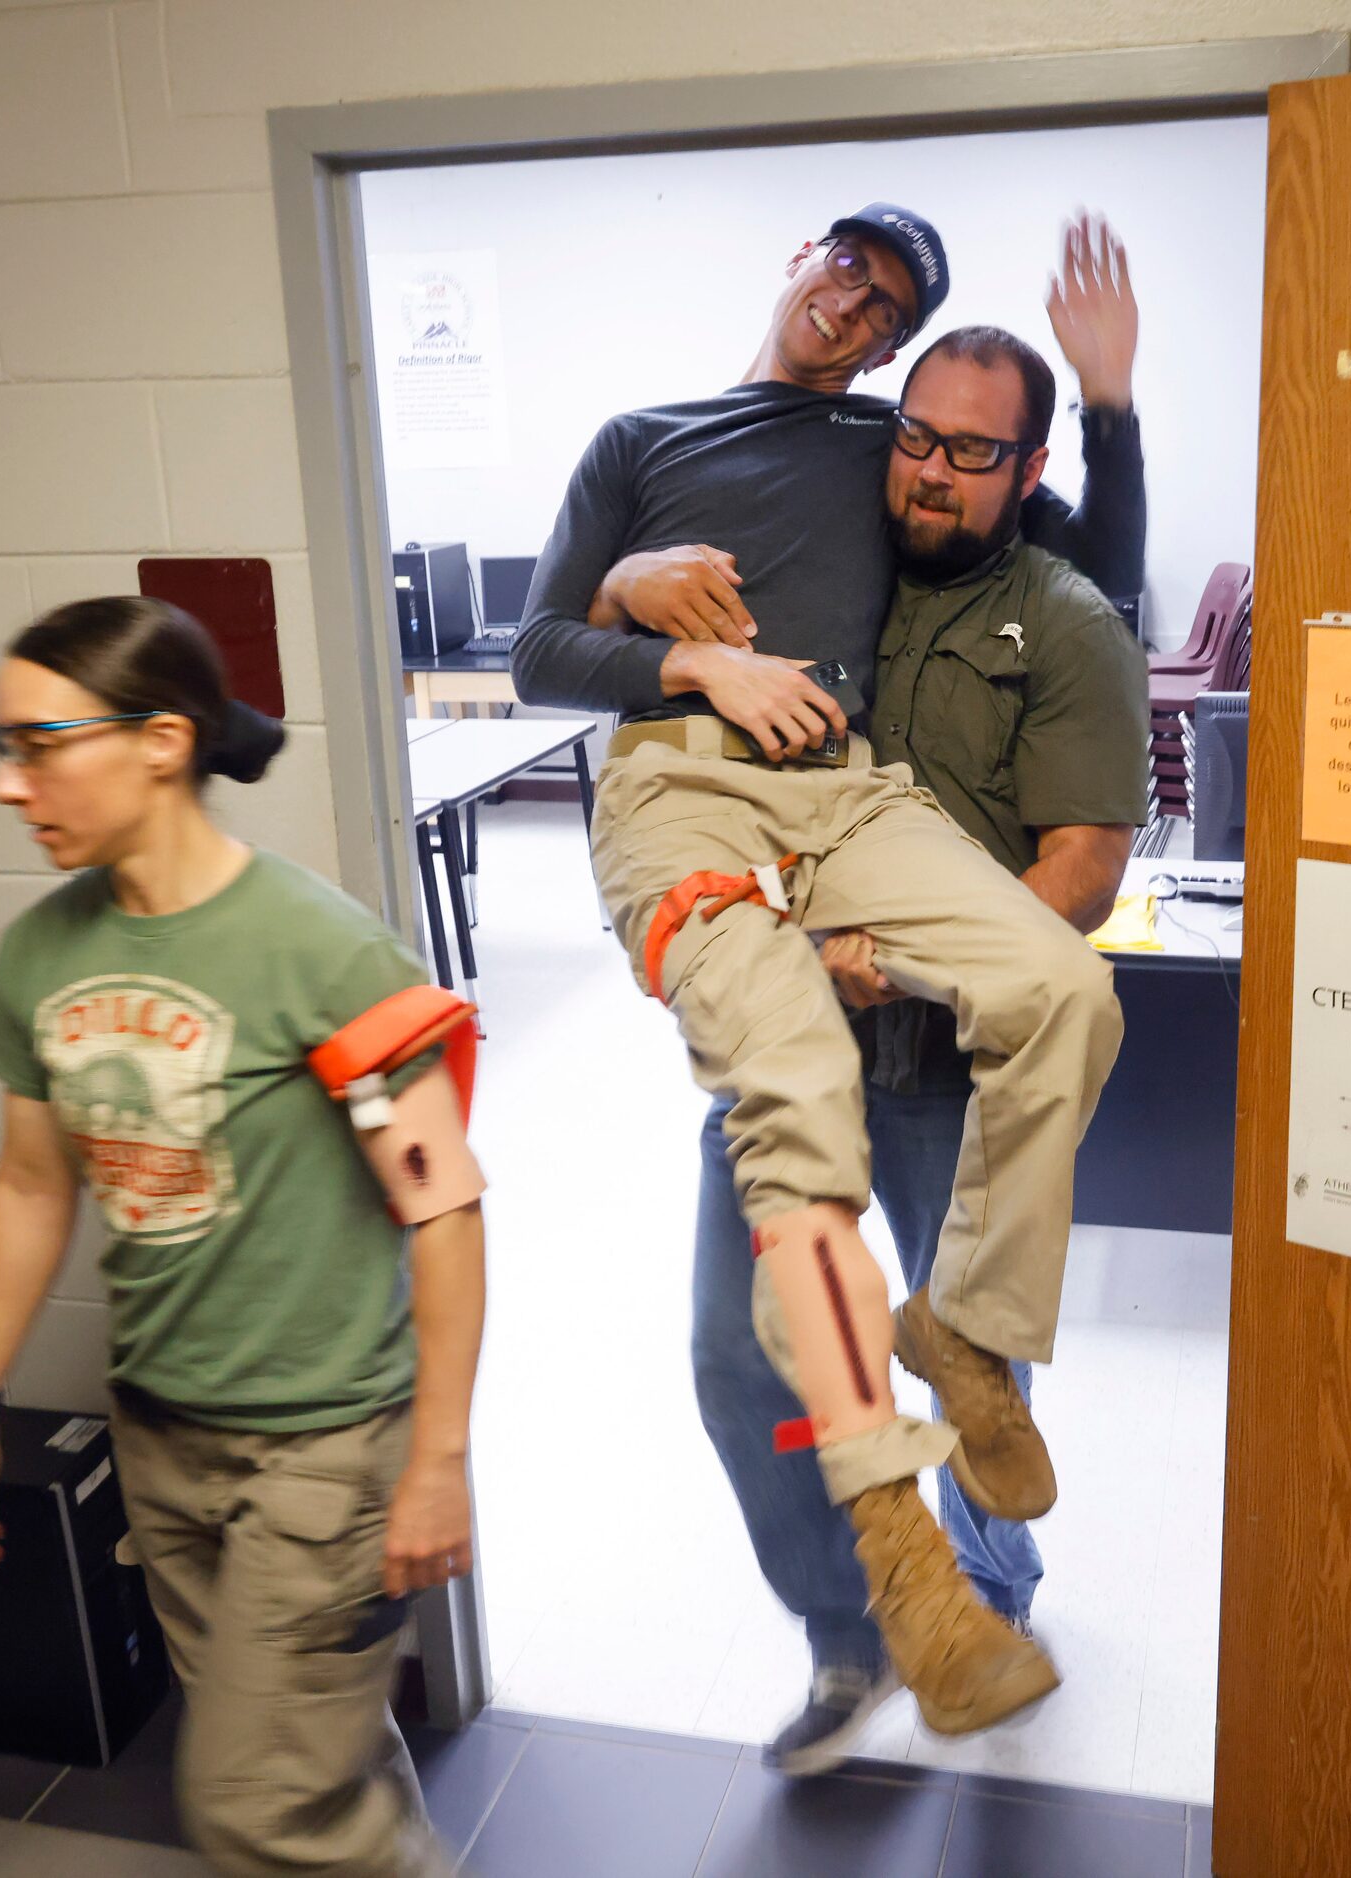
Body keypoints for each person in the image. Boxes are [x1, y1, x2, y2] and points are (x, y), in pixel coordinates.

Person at [513, 207, 1143, 1743]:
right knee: (778, 1181)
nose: (859, 309)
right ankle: (877, 1580)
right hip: (688, 784)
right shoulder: (643, 436)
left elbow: (1091, 581)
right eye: (852, 271)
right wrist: (668, 638)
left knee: (1068, 989)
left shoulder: (886, 458)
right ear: (801, 255)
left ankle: (972, 1447)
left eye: (895, 303)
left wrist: (1113, 399)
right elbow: (533, 650)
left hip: (846, 794)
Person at [0, 598, 487, 1878]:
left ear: (162, 740)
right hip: (160, 1432)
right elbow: (28, 1187)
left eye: (38, 745)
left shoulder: (324, 949)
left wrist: (436, 1458)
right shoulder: (39, 954)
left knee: (250, 1805)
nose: (10, 786)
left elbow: (442, 1207)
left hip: (326, 1454)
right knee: (309, 1766)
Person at [688, 321, 1151, 1772]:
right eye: (915, 437)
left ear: (1029, 465)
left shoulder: (1068, 621)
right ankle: (853, 1625)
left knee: (976, 1366)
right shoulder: (828, 579)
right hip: (791, 1048)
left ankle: (987, 1602)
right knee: (736, 1352)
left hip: (954, 1075)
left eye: (971, 450)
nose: (930, 474)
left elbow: (1083, 866)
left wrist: (894, 964)